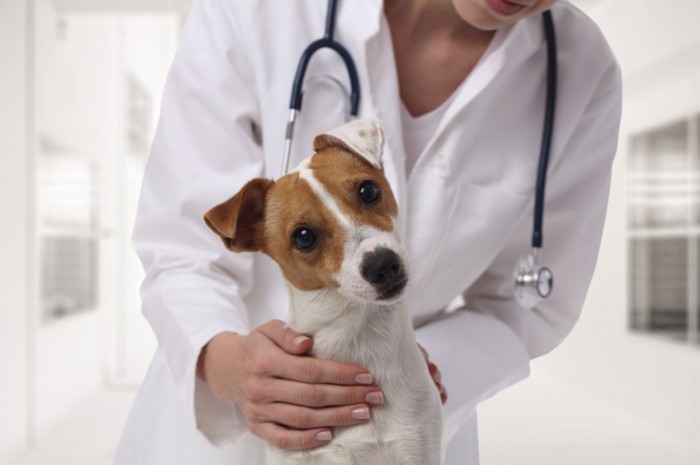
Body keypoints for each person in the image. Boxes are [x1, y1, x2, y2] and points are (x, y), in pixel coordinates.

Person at [113, 0, 622, 463]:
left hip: (410, 422)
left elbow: (531, 302)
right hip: (224, 420)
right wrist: (229, 364)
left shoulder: (580, 70)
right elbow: (181, 247)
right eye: (307, 236)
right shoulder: (257, 10)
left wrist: (413, 373)